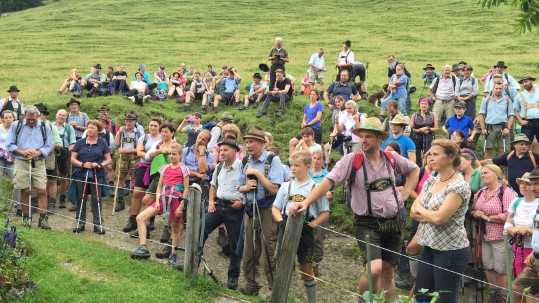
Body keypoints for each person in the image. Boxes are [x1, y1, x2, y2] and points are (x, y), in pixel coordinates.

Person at [289, 117, 419, 300]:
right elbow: (329, 181)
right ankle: (363, 300)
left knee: (388, 271)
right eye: (361, 136)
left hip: (395, 220)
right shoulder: (352, 159)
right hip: (367, 223)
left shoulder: (391, 157)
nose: (363, 140)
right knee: (374, 269)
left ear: (380, 139)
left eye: (368, 137)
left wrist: (405, 193)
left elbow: (414, 170)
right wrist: (307, 202)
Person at [409, 139, 470, 303]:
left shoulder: (458, 186)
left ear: (450, 157)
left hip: (450, 251)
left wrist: (425, 212)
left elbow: (440, 218)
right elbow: (413, 211)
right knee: (422, 296)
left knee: (444, 299)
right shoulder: (431, 180)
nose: (430, 158)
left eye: (435, 154)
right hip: (429, 246)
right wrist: (430, 214)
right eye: (429, 154)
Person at [272, 150, 330, 303]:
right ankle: (278, 297)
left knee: (306, 268)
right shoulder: (286, 186)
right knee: (282, 265)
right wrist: (280, 222)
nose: (292, 168)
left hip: (306, 229)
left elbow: (325, 212)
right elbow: (275, 208)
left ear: (308, 167)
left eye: (297, 165)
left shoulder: (315, 187)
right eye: (291, 165)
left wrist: (311, 225)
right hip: (285, 226)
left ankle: (312, 300)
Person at [237, 126, 284, 296]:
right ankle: (251, 286)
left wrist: (257, 173)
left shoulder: (273, 160)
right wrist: (246, 187)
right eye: (246, 142)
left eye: (251, 142)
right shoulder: (244, 161)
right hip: (250, 210)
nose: (248, 145)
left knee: (268, 250)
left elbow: (274, 189)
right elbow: (239, 187)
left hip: (267, 209)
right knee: (249, 250)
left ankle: (275, 290)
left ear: (261, 143)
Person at [131, 143, 189, 267]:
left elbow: (185, 189)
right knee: (140, 218)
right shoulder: (164, 168)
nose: (172, 157)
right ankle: (143, 246)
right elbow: (159, 187)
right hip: (163, 198)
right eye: (170, 154)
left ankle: (173, 253)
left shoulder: (184, 169)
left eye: (174, 154)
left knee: (176, 226)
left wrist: (181, 205)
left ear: (180, 155)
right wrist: (157, 201)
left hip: (176, 199)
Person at [471, 164, 517, 303]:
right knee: (489, 266)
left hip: (501, 236)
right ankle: (494, 294)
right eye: (482, 174)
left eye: (486, 173)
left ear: (496, 174)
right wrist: (475, 213)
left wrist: (489, 217)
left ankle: (505, 297)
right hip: (483, 236)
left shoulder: (506, 192)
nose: (483, 175)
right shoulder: (480, 192)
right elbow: (473, 209)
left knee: (502, 269)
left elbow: (510, 214)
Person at [204, 136, 245, 290]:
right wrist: (210, 201)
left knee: (236, 243)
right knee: (201, 229)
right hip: (218, 206)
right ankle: (194, 262)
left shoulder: (243, 167)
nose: (222, 153)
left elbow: (250, 188)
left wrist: (243, 202)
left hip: (234, 209)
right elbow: (213, 184)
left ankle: (233, 277)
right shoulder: (220, 166)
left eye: (226, 150)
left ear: (235, 151)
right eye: (221, 150)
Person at [7, 106, 53, 229]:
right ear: (24, 116)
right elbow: (10, 144)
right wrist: (23, 152)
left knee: (42, 190)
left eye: (33, 119)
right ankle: (26, 218)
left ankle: (43, 220)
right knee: (25, 190)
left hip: (38, 161)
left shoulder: (45, 127)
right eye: (28, 119)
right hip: (21, 161)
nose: (31, 121)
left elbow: (48, 146)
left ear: (38, 116)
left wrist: (37, 152)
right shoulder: (16, 125)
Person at [141, 123, 178, 257]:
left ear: (172, 133)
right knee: (146, 200)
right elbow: (147, 156)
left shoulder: (176, 146)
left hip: (170, 179)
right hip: (157, 177)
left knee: (169, 206)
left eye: (166, 131)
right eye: (162, 131)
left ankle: (167, 230)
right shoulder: (158, 144)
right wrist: (159, 151)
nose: (164, 134)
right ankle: (148, 225)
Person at [70, 120, 112, 234]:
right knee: (81, 198)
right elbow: (73, 158)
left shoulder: (102, 142)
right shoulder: (80, 142)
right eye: (88, 127)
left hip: (96, 174)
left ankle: (97, 224)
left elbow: (108, 159)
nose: (90, 130)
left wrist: (99, 165)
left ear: (98, 130)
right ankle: (80, 222)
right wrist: (82, 164)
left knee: (96, 198)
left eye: (93, 128)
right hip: (81, 173)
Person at [122, 118, 163, 233]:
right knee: (137, 193)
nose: (153, 127)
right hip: (144, 167)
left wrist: (148, 155)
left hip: (157, 169)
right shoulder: (144, 137)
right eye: (151, 125)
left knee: (152, 196)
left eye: (155, 125)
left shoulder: (162, 138)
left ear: (159, 127)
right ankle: (133, 219)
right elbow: (139, 152)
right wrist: (149, 156)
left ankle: (149, 221)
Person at [506, 172, 538, 284]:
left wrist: (527, 231)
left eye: (527, 184)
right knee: (519, 282)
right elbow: (507, 224)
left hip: (534, 250)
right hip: (518, 248)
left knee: (531, 287)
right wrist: (513, 229)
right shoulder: (516, 202)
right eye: (521, 183)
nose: (523, 186)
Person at [513, 167, 539, 302]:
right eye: (532, 183)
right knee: (517, 288)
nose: (533, 188)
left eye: (536, 184)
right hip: (535, 256)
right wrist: (534, 252)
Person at [113, 112, 145, 212]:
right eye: (127, 121)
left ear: (135, 122)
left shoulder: (139, 133)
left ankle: (133, 202)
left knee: (134, 179)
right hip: (123, 157)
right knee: (120, 179)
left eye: (130, 121)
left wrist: (127, 150)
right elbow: (116, 144)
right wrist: (118, 132)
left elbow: (141, 149)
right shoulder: (122, 131)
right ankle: (120, 202)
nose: (128, 123)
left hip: (135, 158)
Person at [34, 104, 62, 214]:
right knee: (36, 180)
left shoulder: (51, 127)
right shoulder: (30, 126)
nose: (40, 116)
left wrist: (45, 148)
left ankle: (52, 203)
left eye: (42, 114)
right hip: (35, 157)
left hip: (49, 157)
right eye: (38, 114)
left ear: (45, 116)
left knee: (51, 180)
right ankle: (36, 202)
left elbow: (58, 143)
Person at [478, 82, 515, 159]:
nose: (498, 90)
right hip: (489, 128)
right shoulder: (486, 100)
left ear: (503, 89)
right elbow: (481, 115)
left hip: (503, 127)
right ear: (493, 89)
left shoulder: (507, 100)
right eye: (496, 88)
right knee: (488, 150)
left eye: (500, 88)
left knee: (502, 150)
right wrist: (483, 128)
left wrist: (508, 128)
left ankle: (502, 170)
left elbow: (511, 115)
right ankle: (487, 169)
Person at [54, 109, 76, 209]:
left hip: (64, 152)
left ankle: (62, 198)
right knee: (50, 176)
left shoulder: (68, 128)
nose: (61, 117)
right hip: (51, 153)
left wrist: (67, 151)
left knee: (64, 176)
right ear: (56, 115)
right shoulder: (50, 126)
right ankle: (50, 198)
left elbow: (73, 143)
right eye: (60, 115)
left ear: (66, 117)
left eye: (63, 115)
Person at [513, 74, 539, 153]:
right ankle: (529, 162)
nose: (524, 84)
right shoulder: (519, 96)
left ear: (532, 81)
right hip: (527, 122)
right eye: (523, 82)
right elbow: (515, 110)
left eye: (526, 81)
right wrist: (520, 121)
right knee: (527, 143)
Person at [0, 111, 19, 215]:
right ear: (2, 119)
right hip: (0, 156)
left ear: (13, 118)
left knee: (15, 179)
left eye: (10, 117)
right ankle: (1, 203)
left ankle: (17, 202)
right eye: (6, 117)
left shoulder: (16, 129)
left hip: (12, 158)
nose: (8, 119)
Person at [410, 97, 438, 165]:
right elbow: (411, 128)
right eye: (422, 103)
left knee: (428, 155)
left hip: (428, 138)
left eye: (425, 104)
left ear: (428, 105)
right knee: (417, 156)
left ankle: (428, 170)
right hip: (416, 139)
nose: (424, 105)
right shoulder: (415, 115)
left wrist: (428, 129)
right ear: (419, 105)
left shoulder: (433, 115)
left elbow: (436, 128)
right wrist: (420, 130)